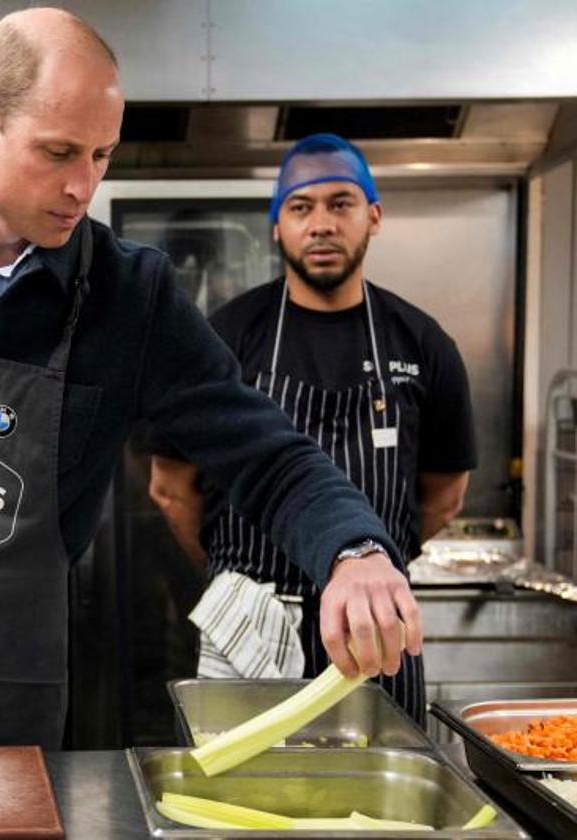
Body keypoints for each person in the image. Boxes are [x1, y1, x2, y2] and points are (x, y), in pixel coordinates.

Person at [0, 9, 423, 750]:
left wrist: (355, 552)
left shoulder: (130, 296)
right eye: (59, 152)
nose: (82, 187)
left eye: (102, 155)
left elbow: (269, 457)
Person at [148, 134, 476, 723]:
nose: (321, 224)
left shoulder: (423, 344)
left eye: (341, 203)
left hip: (376, 633)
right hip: (249, 622)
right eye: (300, 208)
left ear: (373, 216)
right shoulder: (226, 335)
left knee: (379, 803)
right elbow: (172, 488)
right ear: (277, 227)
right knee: (238, 803)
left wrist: (381, 561)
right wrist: (234, 572)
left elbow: (445, 497)